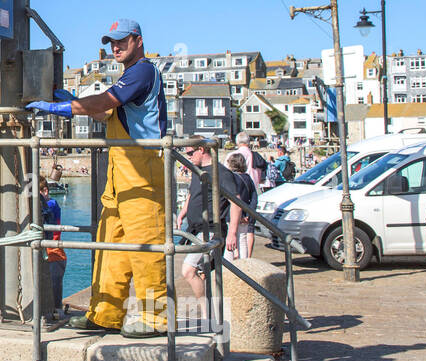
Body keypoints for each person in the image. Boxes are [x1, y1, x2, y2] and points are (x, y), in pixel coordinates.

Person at [27, 18, 168, 337]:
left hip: (143, 172)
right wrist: (72, 99)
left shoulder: (143, 71)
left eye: (121, 41)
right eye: (111, 43)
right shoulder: (129, 77)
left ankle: (156, 317)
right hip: (120, 174)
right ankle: (105, 314)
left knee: (147, 248)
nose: (115, 47)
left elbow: (105, 103)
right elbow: (106, 113)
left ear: (138, 40)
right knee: (109, 246)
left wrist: (63, 107)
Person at [175, 140, 243, 329]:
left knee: (188, 271)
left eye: (190, 153)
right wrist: (183, 212)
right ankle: (210, 316)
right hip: (196, 228)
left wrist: (233, 233)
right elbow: (192, 194)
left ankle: (208, 316)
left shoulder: (221, 173)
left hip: (211, 229)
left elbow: (236, 202)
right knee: (202, 272)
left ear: (202, 150)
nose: (188, 157)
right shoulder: (197, 170)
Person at [39, 178, 68, 319]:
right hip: (47, 253)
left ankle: (57, 310)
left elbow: (47, 208)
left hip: (54, 253)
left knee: (55, 286)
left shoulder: (51, 204)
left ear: (45, 191)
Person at [225, 152, 257, 259]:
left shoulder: (230, 178)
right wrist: (249, 214)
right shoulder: (248, 179)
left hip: (232, 214)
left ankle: (229, 265)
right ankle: (244, 263)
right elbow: (254, 198)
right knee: (242, 240)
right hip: (245, 214)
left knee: (229, 241)